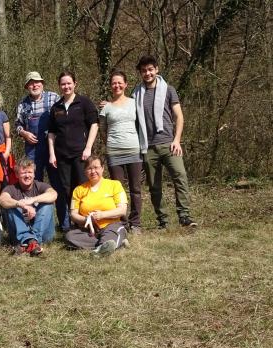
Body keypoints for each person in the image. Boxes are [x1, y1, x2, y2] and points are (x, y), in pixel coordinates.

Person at [134, 55, 197, 228]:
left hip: (169, 143)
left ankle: (185, 216)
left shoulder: (169, 90)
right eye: (144, 70)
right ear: (140, 73)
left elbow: (179, 116)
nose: (147, 73)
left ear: (156, 69)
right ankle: (163, 220)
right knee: (154, 186)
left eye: (150, 69)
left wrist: (177, 140)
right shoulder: (136, 94)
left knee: (181, 177)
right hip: (148, 146)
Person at [15, 71, 67, 230]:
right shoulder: (23, 104)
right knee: (31, 187)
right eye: (31, 83)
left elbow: (64, 119)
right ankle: (33, 223)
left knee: (57, 186)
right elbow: (18, 125)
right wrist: (23, 133)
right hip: (32, 151)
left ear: (42, 83)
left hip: (52, 148)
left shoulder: (53, 97)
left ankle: (64, 224)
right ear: (26, 87)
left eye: (37, 82)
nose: (34, 85)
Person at [47, 71, 99, 231]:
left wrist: (88, 147)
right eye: (63, 84)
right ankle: (74, 223)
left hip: (81, 154)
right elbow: (51, 133)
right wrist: (52, 154)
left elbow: (94, 124)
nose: (66, 86)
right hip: (62, 156)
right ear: (59, 86)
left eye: (69, 83)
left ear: (75, 83)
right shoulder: (56, 107)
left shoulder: (84, 102)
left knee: (83, 187)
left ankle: (88, 221)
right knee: (67, 189)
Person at [99, 70, 143, 233]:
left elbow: (141, 125)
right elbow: (102, 130)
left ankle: (136, 223)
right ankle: (122, 223)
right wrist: (111, 143)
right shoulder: (106, 108)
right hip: (114, 153)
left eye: (119, 83)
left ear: (125, 85)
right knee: (118, 189)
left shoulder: (134, 103)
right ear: (111, 86)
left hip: (134, 150)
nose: (116, 85)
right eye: (113, 83)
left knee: (135, 189)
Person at [65, 156, 128, 256]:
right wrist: (86, 219)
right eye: (89, 168)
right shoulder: (78, 190)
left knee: (110, 233)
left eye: (96, 167)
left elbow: (122, 210)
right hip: (89, 231)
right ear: (85, 171)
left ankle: (106, 244)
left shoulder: (115, 185)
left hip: (111, 225)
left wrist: (101, 215)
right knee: (70, 237)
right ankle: (113, 243)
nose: (93, 171)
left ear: (102, 168)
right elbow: (73, 214)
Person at [0, 158, 57, 256]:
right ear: (17, 175)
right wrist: (20, 204)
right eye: (23, 173)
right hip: (18, 234)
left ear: (34, 174)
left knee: (47, 205)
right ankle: (32, 243)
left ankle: (28, 242)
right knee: (11, 206)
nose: (27, 175)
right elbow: (3, 200)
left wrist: (33, 200)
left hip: (44, 234)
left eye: (30, 172)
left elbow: (53, 194)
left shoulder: (40, 186)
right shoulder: (11, 188)